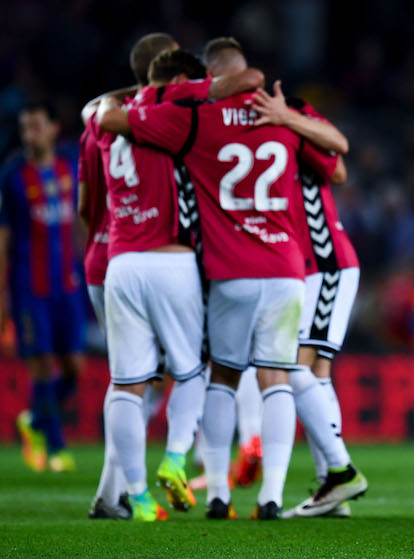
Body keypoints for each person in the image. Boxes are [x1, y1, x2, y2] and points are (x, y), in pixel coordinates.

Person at [99, 50, 367, 521]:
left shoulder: (197, 123)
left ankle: (219, 495)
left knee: (221, 377)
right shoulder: (281, 116)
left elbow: (117, 122)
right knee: (279, 378)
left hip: (230, 272)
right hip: (286, 269)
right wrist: (286, 116)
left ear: (210, 78)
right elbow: (338, 159)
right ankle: (273, 498)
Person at [89, 47, 263, 522]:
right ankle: (174, 457)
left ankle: (139, 497)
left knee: (126, 385)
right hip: (170, 258)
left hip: (119, 262)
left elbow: (105, 119)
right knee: (190, 373)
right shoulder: (174, 109)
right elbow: (244, 80)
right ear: (181, 79)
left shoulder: (104, 118)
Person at [202, 37, 363, 519]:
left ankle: (336, 474)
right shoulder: (227, 127)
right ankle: (333, 486)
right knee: (305, 371)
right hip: (294, 267)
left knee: (298, 368)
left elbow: (337, 166)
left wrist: (286, 116)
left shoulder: (286, 114)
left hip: (323, 259)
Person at [80, 31, 176, 521]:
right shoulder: (160, 120)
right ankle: (119, 490)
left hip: (103, 256)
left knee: (131, 376)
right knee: (143, 380)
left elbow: (83, 203)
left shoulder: (96, 122)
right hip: (147, 253)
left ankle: (112, 488)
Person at [0, 100, 85, 474]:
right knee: (40, 365)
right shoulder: (12, 175)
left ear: (53, 128)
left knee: (74, 368)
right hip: (29, 288)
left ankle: (33, 418)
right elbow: (2, 238)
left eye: (35, 127)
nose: (28, 136)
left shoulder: (71, 166)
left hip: (68, 285)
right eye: (24, 129)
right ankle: (55, 446)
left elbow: (82, 220)